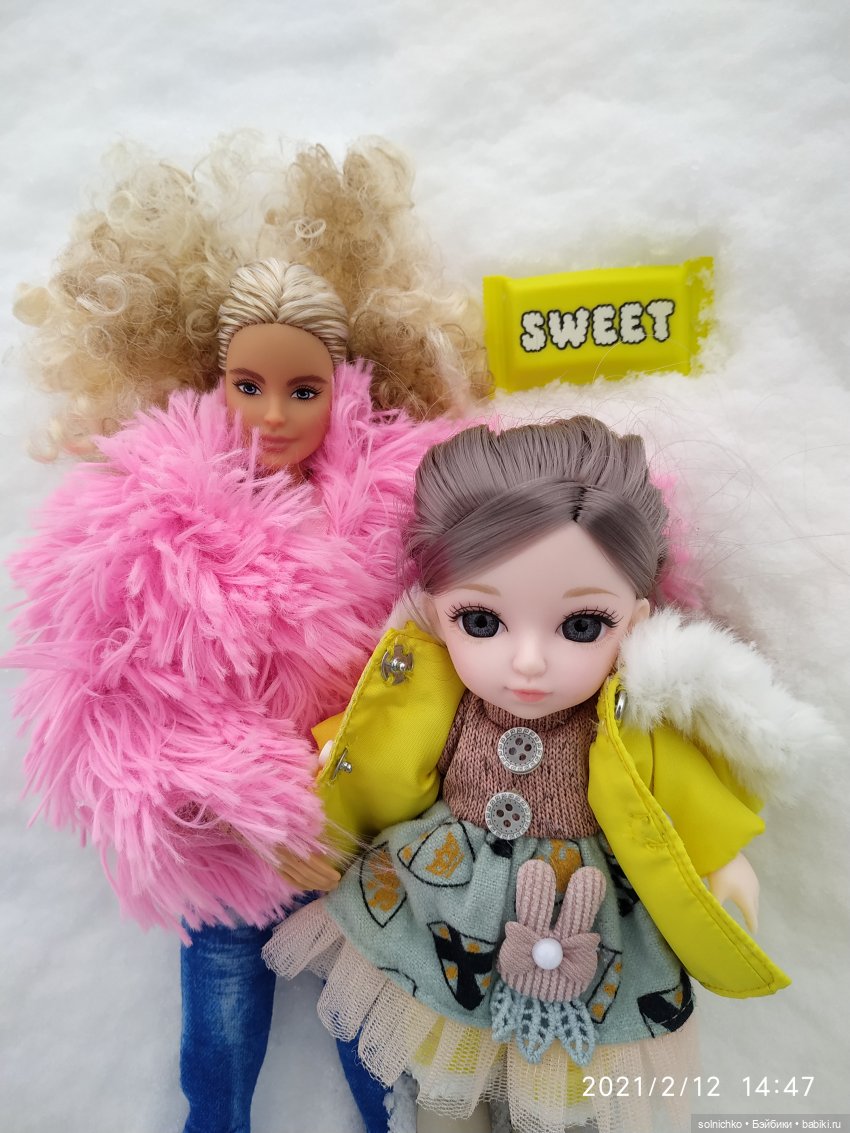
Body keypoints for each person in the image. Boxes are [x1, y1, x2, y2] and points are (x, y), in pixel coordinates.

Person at [6, 136, 487, 1133]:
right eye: (247, 384)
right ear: (210, 377)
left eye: (303, 390)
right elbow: (98, 698)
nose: (272, 414)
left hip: (370, 846)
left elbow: (479, 604)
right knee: (218, 1056)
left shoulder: (403, 494)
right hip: (230, 845)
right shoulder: (141, 511)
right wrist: (245, 798)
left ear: (345, 383)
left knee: (387, 1064)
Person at [263, 417, 829, 1133]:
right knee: (444, 1088)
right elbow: (378, 749)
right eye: (481, 620)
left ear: (637, 621)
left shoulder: (623, 724)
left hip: (588, 923)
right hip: (443, 911)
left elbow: (677, 790)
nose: (527, 662)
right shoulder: (435, 695)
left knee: (562, 1098)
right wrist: (324, 777)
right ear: (435, 612)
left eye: (581, 626)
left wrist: (720, 858)